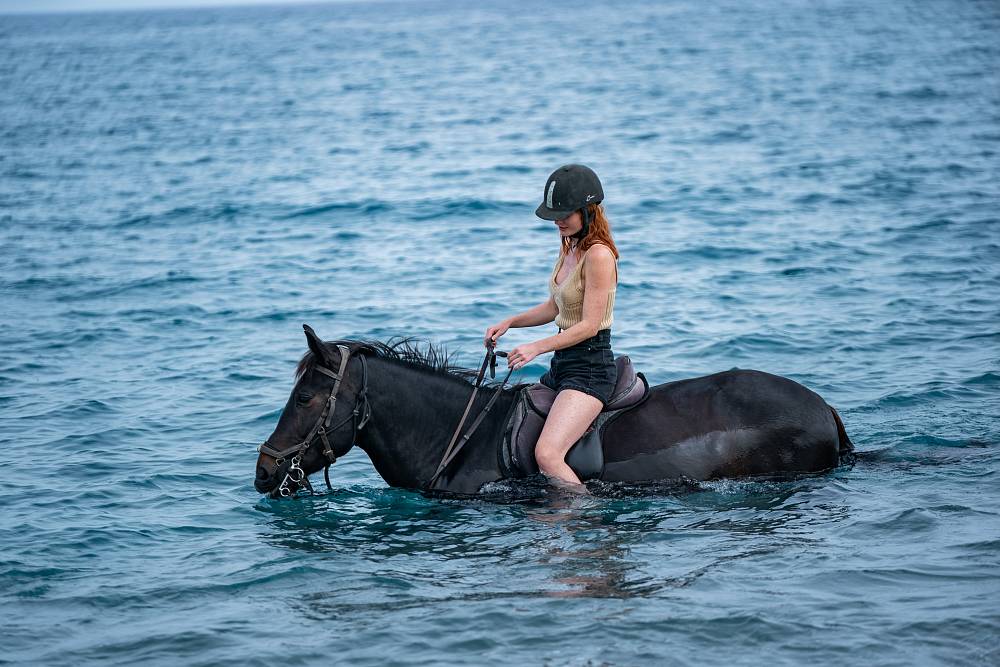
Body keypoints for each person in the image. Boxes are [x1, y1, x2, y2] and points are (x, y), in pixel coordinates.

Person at [485, 164, 619, 491]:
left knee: (547, 454)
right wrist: (510, 322)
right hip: (563, 366)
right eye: (553, 215)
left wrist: (536, 347)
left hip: (590, 369)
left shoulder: (599, 256)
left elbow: (589, 325)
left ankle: (587, 515)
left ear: (588, 211)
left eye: (564, 214)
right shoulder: (569, 246)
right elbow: (554, 307)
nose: (557, 221)